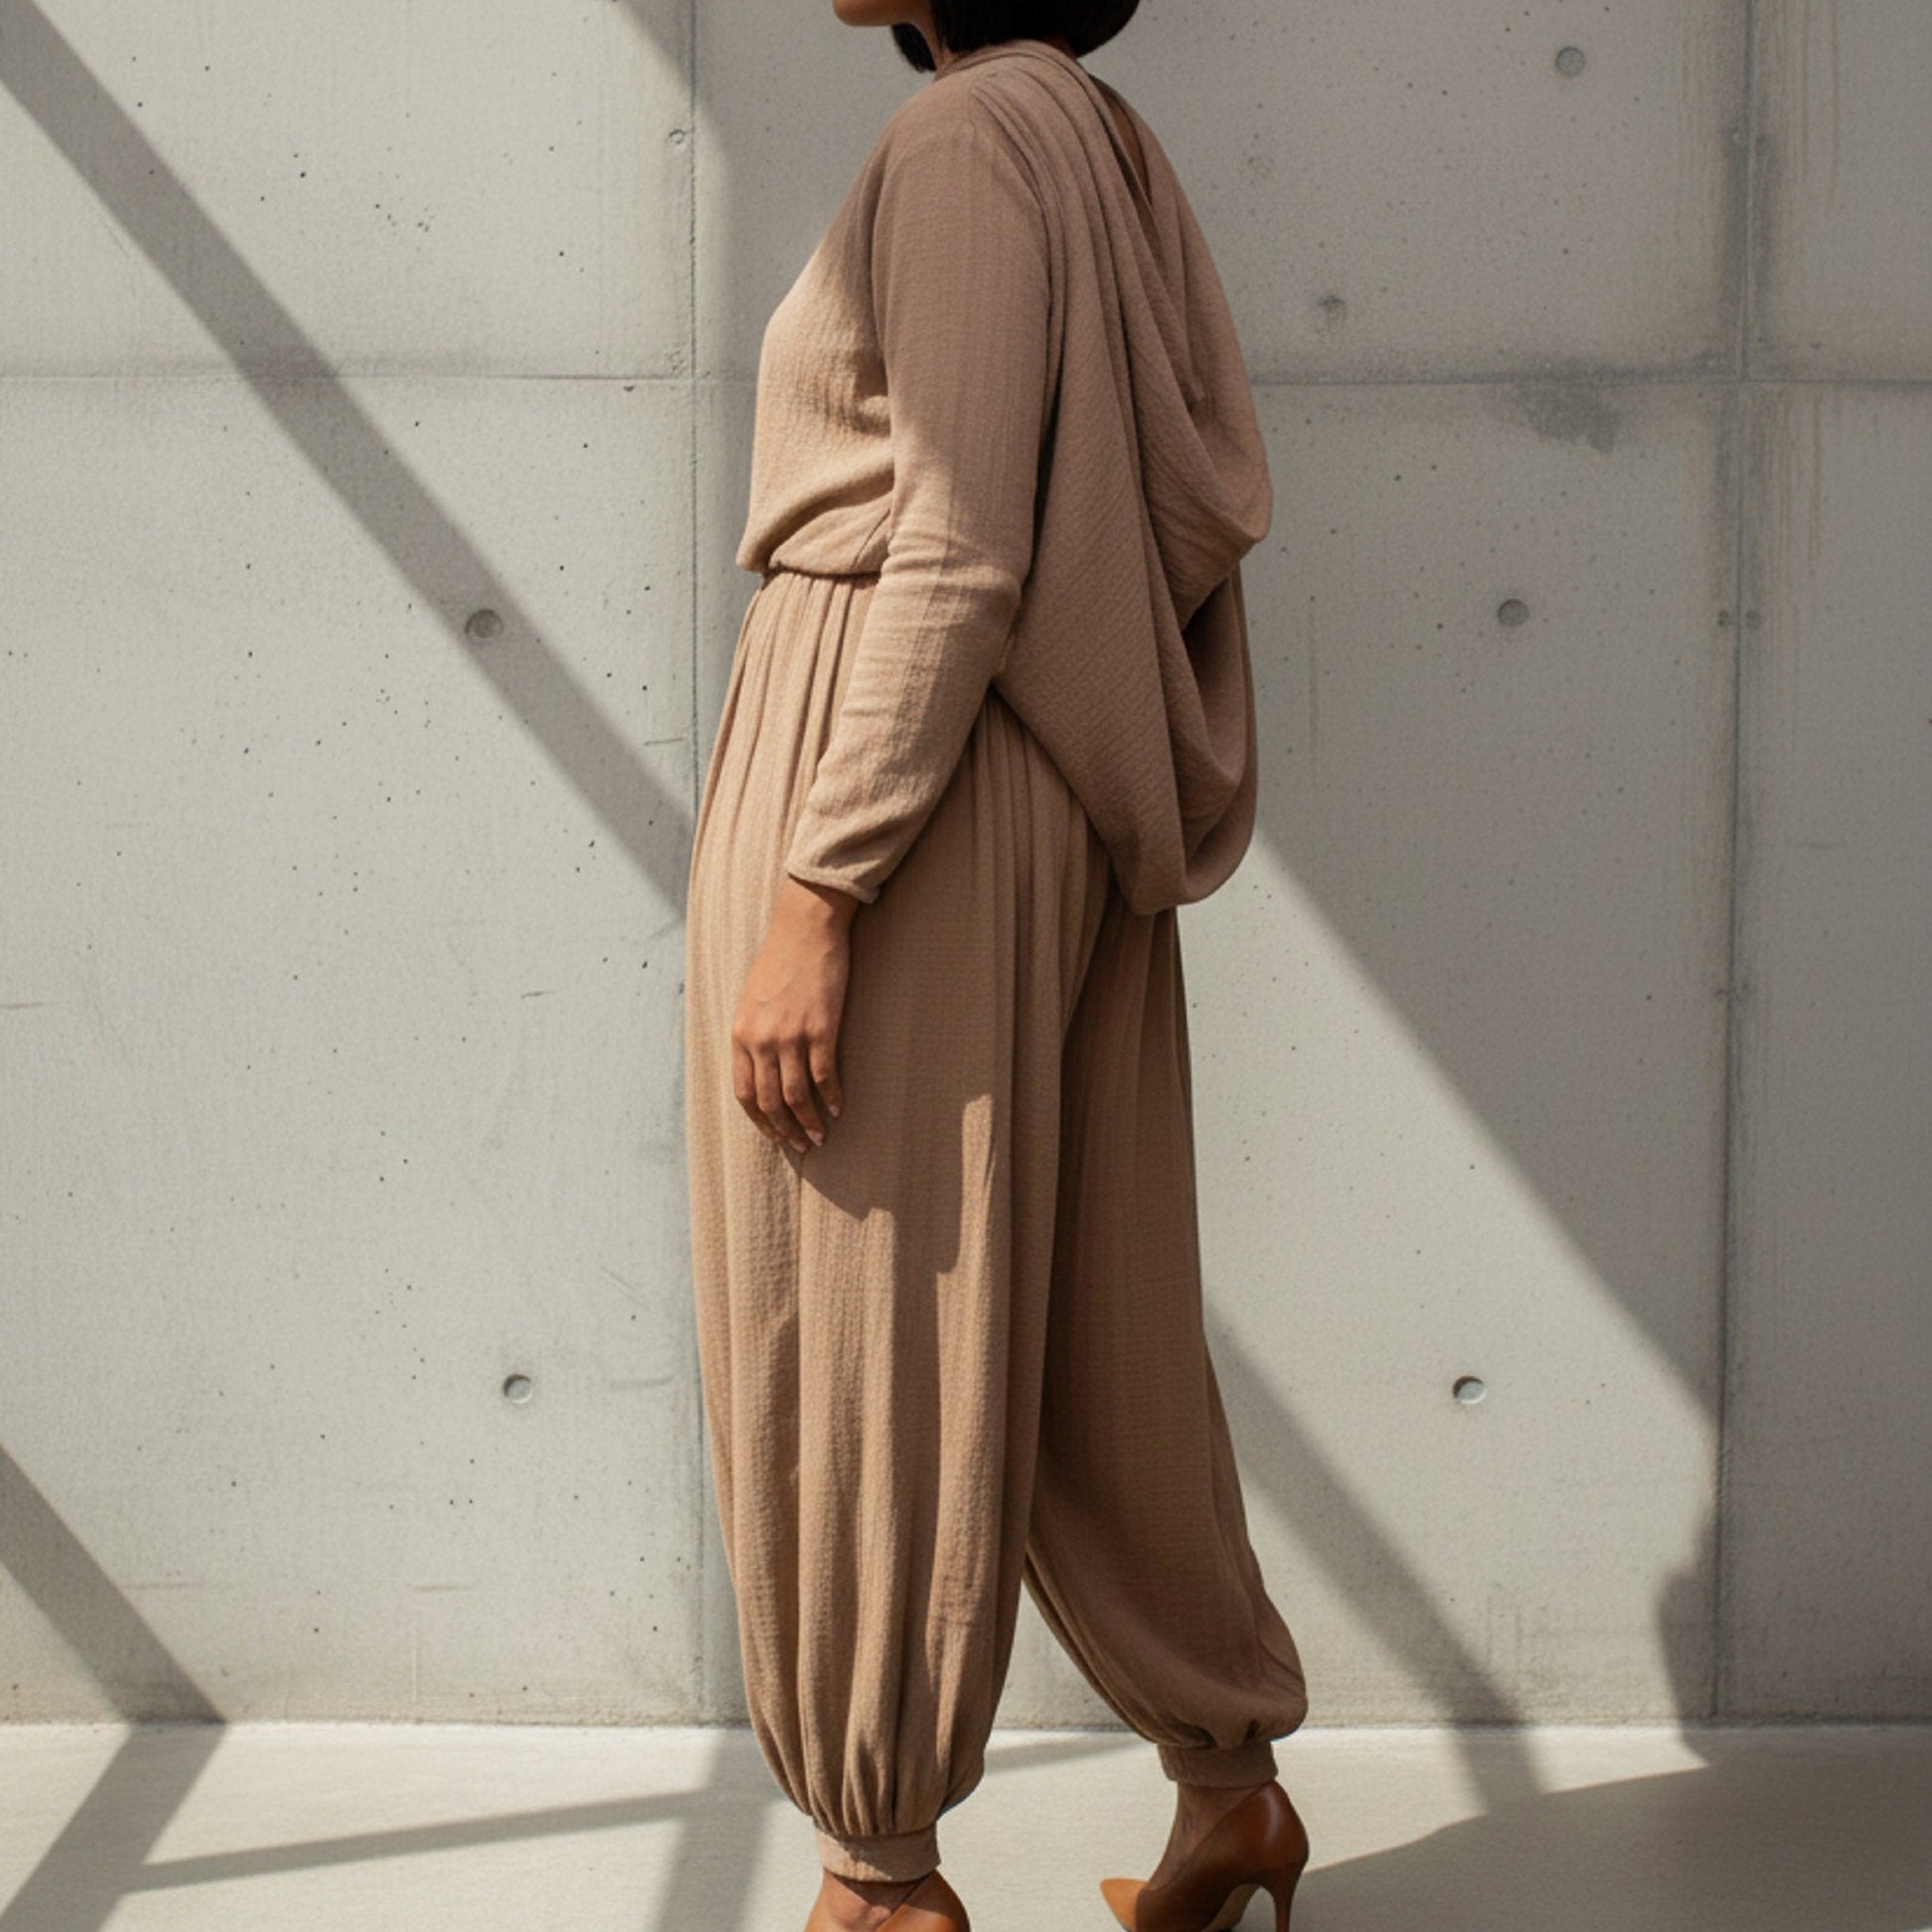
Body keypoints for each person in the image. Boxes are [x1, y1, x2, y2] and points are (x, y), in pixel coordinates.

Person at [683, 6, 1312, 1928]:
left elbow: (952, 545)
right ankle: (1231, 1793)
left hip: (909, 780)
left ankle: (879, 1881)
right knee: (1083, 1327)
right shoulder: (1092, 139)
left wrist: (819, 889)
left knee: (854, 1322)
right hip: (1032, 787)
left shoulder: (968, 148)